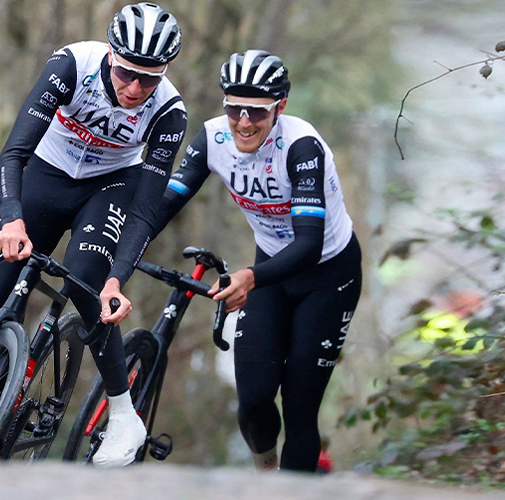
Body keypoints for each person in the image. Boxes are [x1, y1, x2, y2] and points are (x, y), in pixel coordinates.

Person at [0, 2, 186, 467]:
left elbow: (144, 212)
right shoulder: (71, 66)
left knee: (86, 279)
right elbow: (14, 152)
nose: (135, 88)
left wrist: (115, 280)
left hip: (109, 186)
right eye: (127, 73)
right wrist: (11, 218)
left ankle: (124, 416)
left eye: (150, 79)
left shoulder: (168, 112)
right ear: (109, 54)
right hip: (46, 170)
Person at [154, 50, 362, 472]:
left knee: (299, 406)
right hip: (270, 271)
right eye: (234, 108)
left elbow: (307, 244)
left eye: (257, 112)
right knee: (252, 401)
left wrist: (249, 276)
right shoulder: (213, 138)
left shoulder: (302, 146)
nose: (244, 122)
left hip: (328, 275)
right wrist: (118, 249)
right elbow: (163, 207)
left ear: (280, 107)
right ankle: (265, 478)